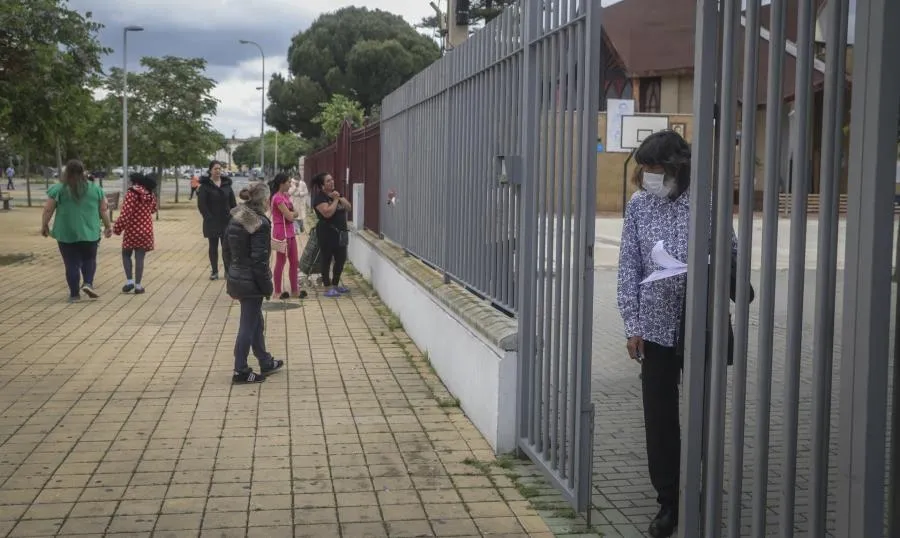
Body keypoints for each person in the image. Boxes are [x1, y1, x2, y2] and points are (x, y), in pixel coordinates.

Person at [616, 131, 691, 538]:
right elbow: (628, 266)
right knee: (660, 418)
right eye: (644, 170)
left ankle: (697, 487)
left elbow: (730, 253)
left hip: (699, 323)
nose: (649, 177)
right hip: (656, 327)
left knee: (700, 413)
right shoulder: (639, 205)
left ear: (677, 168)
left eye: (656, 170)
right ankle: (668, 501)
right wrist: (633, 324)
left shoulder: (705, 202)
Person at [225, 181, 284, 384]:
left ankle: (265, 360)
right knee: (248, 325)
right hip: (251, 281)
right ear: (264, 200)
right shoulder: (260, 223)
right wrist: (268, 286)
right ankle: (240, 370)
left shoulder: (238, 215)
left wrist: (230, 274)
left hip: (238, 276)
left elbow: (227, 249)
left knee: (256, 322)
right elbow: (259, 260)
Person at [41, 159, 112, 302]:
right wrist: (108, 226)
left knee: (71, 263)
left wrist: (44, 225)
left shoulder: (59, 189)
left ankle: (74, 295)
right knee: (89, 259)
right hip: (90, 232)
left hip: (66, 233)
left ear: (66, 172)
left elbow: (48, 209)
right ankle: (88, 283)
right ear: (83, 171)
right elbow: (103, 210)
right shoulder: (95, 189)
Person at [113, 172, 158, 294]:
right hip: (146, 230)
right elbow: (153, 209)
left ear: (133, 181)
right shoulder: (150, 193)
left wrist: (117, 228)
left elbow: (125, 214)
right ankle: (138, 286)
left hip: (132, 230)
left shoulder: (131, 193)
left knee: (126, 254)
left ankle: (129, 281)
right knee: (140, 257)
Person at [311, 172, 351, 297]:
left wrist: (339, 198)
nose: (332, 182)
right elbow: (327, 213)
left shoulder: (337, 194)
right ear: (322, 185)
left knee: (341, 258)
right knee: (327, 258)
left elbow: (348, 207)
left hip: (341, 233)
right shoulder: (320, 198)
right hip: (327, 233)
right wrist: (335, 200)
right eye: (328, 181)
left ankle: (335, 284)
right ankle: (327, 287)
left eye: (332, 179)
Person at [197, 160, 236, 280]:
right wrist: (208, 217)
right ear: (210, 171)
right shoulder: (205, 186)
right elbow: (202, 205)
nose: (218, 171)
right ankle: (214, 271)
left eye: (219, 168)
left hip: (226, 221)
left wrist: (234, 217)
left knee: (226, 247)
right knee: (213, 247)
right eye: (215, 169)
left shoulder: (227, 185)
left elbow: (233, 204)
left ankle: (227, 271)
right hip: (212, 221)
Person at [269, 173, 305, 300]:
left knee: (294, 261)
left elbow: (295, 212)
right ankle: (277, 291)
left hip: (290, 232)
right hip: (280, 233)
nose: (290, 184)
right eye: (288, 182)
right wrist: (292, 214)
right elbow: (291, 215)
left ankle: (295, 290)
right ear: (282, 183)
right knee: (280, 262)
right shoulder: (277, 198)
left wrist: (292, 213)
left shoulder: (285, 196)